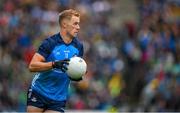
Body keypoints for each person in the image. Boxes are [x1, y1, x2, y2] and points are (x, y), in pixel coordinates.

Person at [27, 9, 84, 113]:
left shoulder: (79, 47)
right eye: (75, 24)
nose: (78, 27)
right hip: (39, 91)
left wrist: (77, 75)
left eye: (78, 24)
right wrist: (54, 64)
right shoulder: (50, 43)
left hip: (59, 98)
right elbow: (32, 66)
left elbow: (74, 70)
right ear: (64, 24)